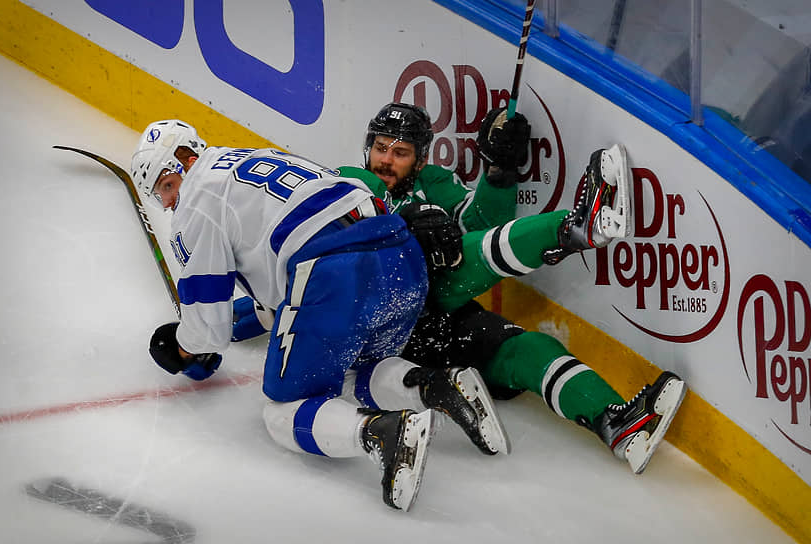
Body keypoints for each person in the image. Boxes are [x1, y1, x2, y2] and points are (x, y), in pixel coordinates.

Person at [233, 103, 686, 475]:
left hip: (432, 319)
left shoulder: (436, 185)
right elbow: (306, 284)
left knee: (526, 350)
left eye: (401, 151)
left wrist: (499, 172)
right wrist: (239, 319)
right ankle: (576, 228)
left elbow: (483, 225)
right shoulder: (350, 180)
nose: (386, 159)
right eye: (380, 147)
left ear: (422, 159)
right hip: (386, 323)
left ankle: (619, 425)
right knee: (455, 257)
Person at [129, 119, 510, 512]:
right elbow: (277, 292)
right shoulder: (253, 158)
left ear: (184, 162)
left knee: (284, 409)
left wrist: (182, 348)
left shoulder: (197, 200)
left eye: (166, 186)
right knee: (346, 371)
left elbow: (208, 330)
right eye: (162, 196)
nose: (170, 202)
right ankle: (438, 385)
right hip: (401, 257)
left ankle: (381, 432)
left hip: (335, 271)